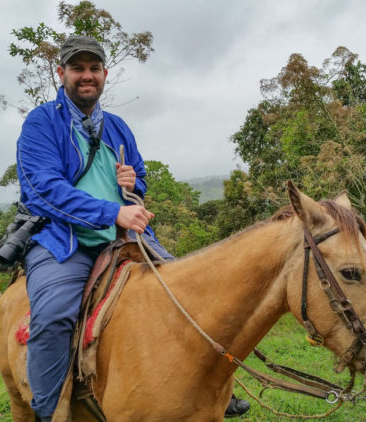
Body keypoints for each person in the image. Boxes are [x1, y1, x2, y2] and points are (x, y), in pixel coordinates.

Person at [16, 36, 250, 421]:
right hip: (65, 241)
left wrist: (133, 182)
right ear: (62, 74)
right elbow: (44, 190)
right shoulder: (41, 123)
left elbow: (138, 176)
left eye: (94, 69)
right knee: (55, 315)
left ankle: (217, 389)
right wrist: (113, 212)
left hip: (126, 237)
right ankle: (48, 409)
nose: (86, 76)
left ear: (105, 74)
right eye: (78, 68)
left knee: (191, 297)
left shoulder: (118, 127)